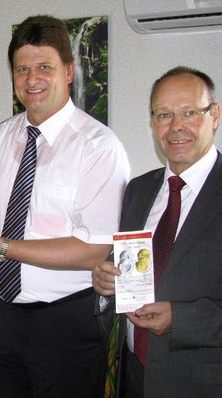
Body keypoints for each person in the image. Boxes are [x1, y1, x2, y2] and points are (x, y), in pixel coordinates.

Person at [0, 15, 130, 397]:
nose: (32, 80)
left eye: (44, 67)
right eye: (22, 69)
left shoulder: (98, 147)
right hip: (1, 320)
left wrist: (3, 247)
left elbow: (93, 250)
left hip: (66, 323)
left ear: (69, 71)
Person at [92, 66, 222, 397]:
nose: (176, 126)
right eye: (164, 114)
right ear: (153, 122)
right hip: (133, 376)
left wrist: (181, 319)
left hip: (201, 384)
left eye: (190, 112)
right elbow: (123, 270)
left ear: (215, 115)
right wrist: (105, 283)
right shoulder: (138, 190)